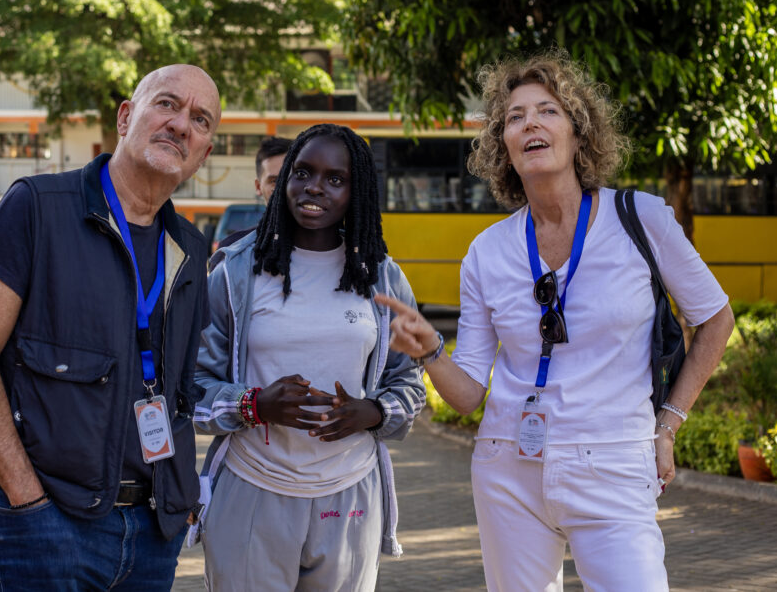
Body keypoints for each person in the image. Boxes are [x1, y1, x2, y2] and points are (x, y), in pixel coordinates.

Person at [376, 51, 735, 591]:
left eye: (548, 111)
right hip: (507, 467)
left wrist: (668, 425)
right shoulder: (486, 252)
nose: (530, 124)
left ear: (578, 133)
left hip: (614, 464)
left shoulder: (641, 219)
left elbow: (716, 319)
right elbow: (469, 394)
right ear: (503, 145)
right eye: (515, 117)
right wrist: (430, 352)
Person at [0, 64, 221, 591]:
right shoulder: (35, 207)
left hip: (153, 535)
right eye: (166, 104)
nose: (181, 124)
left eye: (200, 119)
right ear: (125, 117)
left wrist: (181, 496)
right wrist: (27, 501)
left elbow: (180, 390)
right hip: (49, 525)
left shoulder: (190, 248)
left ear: (203, 153)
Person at [191, 124, 427, 591]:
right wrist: (253, 405)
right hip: (252, 486)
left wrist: (374, 412)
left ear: (357, 191)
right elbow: (192, 386)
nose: (314, 187)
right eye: (302, 173)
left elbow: (410, 384)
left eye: (335, 179)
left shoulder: (382, 277)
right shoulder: (236, 271)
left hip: (350, 493)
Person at [208, 136, 291, 269]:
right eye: (274, 181)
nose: (283, 187)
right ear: (258, 187)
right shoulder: (230, 252)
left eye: (290, 178)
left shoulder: (326, 249)